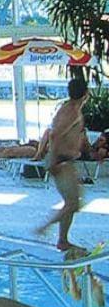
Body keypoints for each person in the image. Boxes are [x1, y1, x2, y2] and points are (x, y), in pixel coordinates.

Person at [36, 75, 91, 249]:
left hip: (65, 161)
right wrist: (53, 160)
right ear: (86, 93)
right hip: (61, 161)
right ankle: (45, 227)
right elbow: (55, 134)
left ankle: (63, 240)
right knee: (74, 203)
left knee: (72, 203)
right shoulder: (71, 112)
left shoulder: (71, 108)